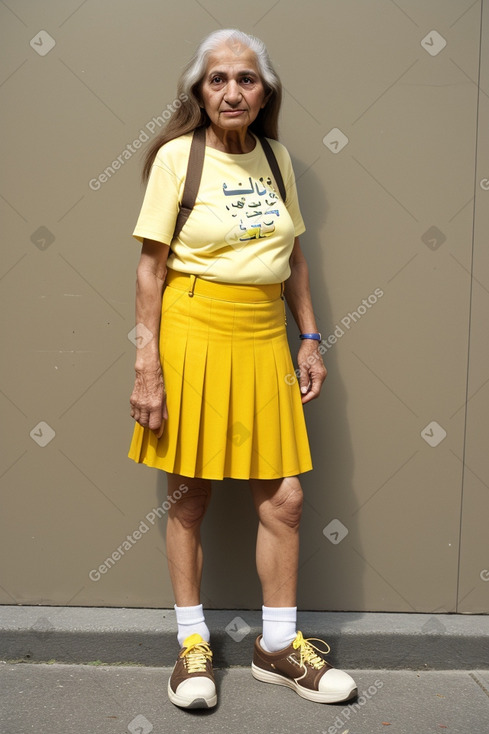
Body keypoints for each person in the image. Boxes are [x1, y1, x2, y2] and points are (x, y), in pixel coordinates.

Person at [128, 28, 357, 709]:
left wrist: (308, 337)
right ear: (199, 91)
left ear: (265, 93)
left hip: (263, 338)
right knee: (190, 495)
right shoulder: (177, 158)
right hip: (192, 330)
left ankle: (277, 648)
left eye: (246, 79)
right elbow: (149, 266)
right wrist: (147, 365)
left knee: (283, 499)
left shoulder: (276, 158)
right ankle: (193, 648)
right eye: (218, 79)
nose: (232, 91)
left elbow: (293, 257)